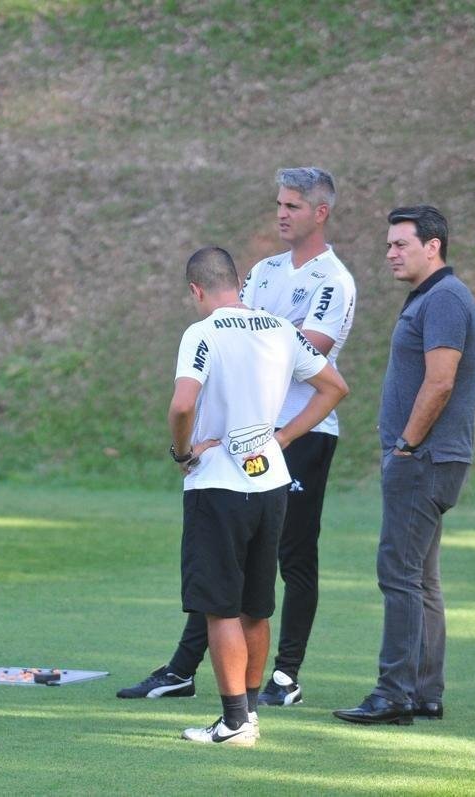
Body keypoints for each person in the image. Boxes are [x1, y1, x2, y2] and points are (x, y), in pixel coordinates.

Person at [118, 167, 356, 708]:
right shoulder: (266, 273)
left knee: (269, 572)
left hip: (281, 442)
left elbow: (293, 354)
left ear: (321, 212)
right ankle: (205, 683)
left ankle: (279, 681)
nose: (281, 212)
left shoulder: (332, 281)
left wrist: (278, 434)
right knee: (245, 594)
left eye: (293, 205)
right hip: (261, 453)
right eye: (279, 203)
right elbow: (291, 351)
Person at [171, 246, 348, 746]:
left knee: (219, 608)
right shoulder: (279, 329)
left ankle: (232, 723)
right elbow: (334, 387)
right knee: (255, 607)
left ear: (196, 290)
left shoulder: (201, 333)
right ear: (238, 282)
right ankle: (248, 714)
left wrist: (182, 452)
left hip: (218, 485)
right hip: (270, 481)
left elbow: (184, 403)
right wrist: (285, 437)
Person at [333, 205, 475, 725]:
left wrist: (404, 446)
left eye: (401, 244)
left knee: (398, 574)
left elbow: (440, 381)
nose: (390, 253)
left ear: (433, 246)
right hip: (430, 458)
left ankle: (393, 694)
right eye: (389, 244)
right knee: (421, 578)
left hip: (423, 460)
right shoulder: (435, 298)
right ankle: (423, 691)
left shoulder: (443, 299)